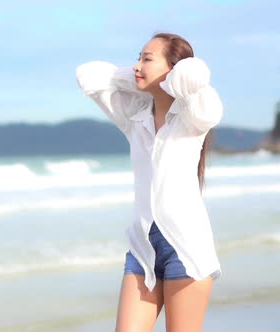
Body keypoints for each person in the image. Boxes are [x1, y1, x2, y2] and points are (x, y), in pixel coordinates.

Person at [75, 33, 223, 332]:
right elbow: (89, 75)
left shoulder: (192, 117)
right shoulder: (134, 117)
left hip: (185, 249)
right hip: (142, 249)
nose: (136, 65)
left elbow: (200, 87)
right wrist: (143, 77)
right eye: (138, 57)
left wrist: (171, 80)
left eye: (146, 59)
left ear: (175, 69)